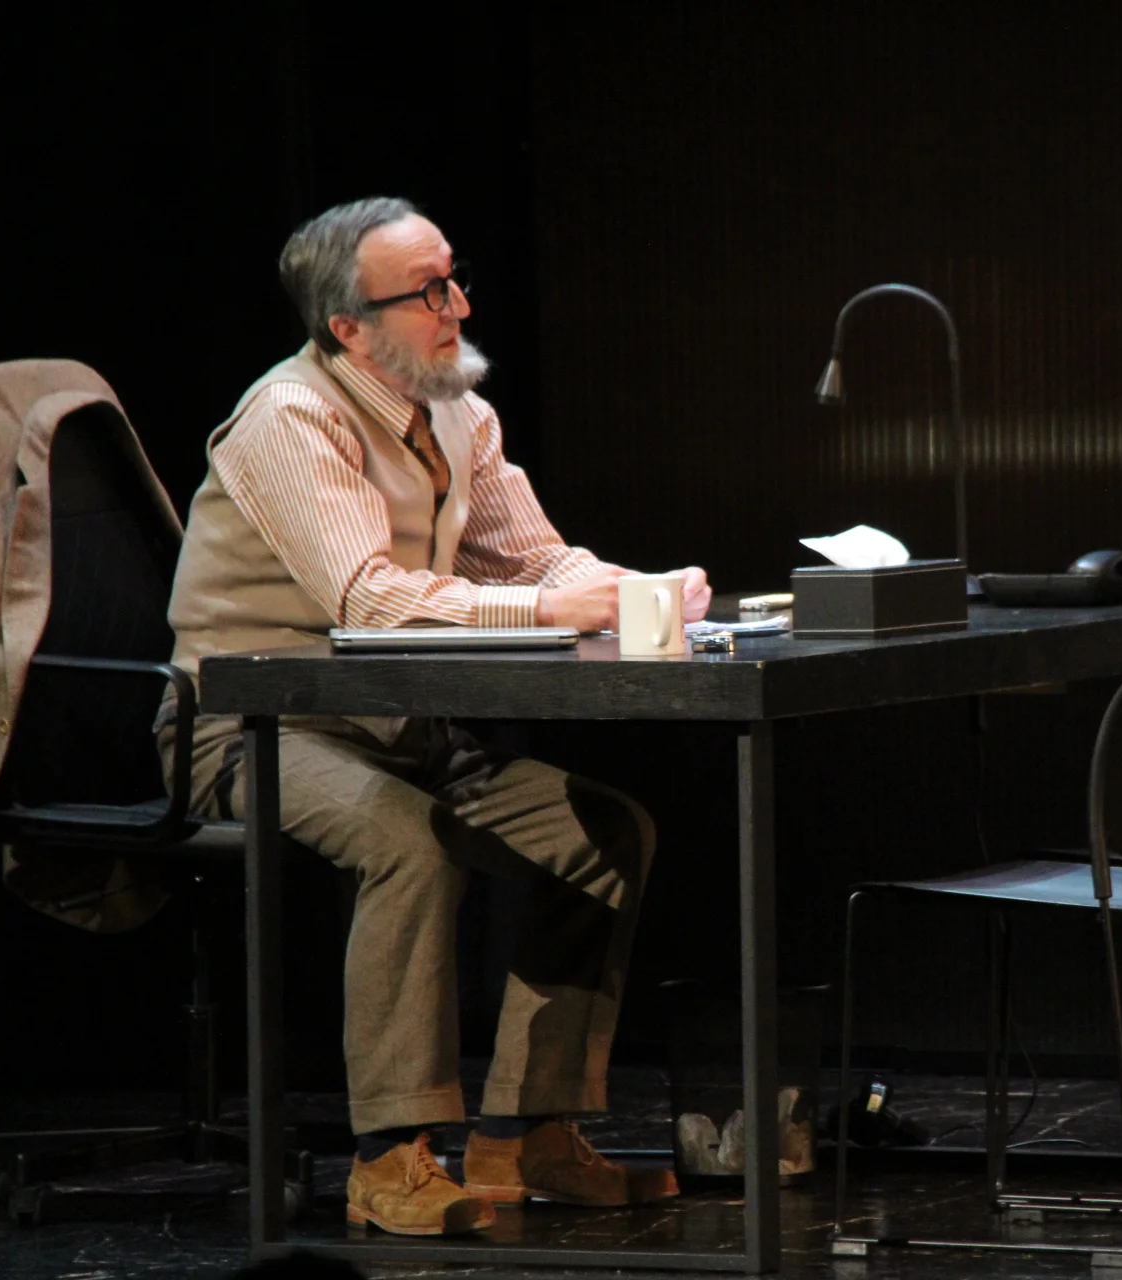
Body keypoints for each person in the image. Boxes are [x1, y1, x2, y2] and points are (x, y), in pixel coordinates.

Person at [161, 196, 710, 1237]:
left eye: (453, 279)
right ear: (348, 327)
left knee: (602, 834)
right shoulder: (291, 417)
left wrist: (640, 588)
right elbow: (367, 600)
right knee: (411, 844)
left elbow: (532, 557)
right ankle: (387, 1157)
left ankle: (525, 1134)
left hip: (396, 727)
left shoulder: (457, 408)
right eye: (426, 292)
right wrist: (555, 610)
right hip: (250, 729)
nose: (455, 306)